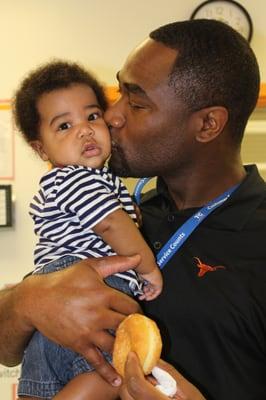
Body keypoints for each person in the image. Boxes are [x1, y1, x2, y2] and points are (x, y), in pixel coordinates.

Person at [0, 18, 265, 400]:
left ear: (208, 124)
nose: (112, 116)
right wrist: (28, 301)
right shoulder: (120, 210)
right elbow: (7, 346)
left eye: (136, 103)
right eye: (118, 95)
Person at [12, 60, 162, 399]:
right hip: (86, 285)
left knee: (40, 387)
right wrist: (148, 268)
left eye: (92, 117)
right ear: (41, 149)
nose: (84, 130)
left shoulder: (81, 182)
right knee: (113, 375)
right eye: (64, 126)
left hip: (53, 301)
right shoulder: (78, 178)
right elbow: (110, 222)